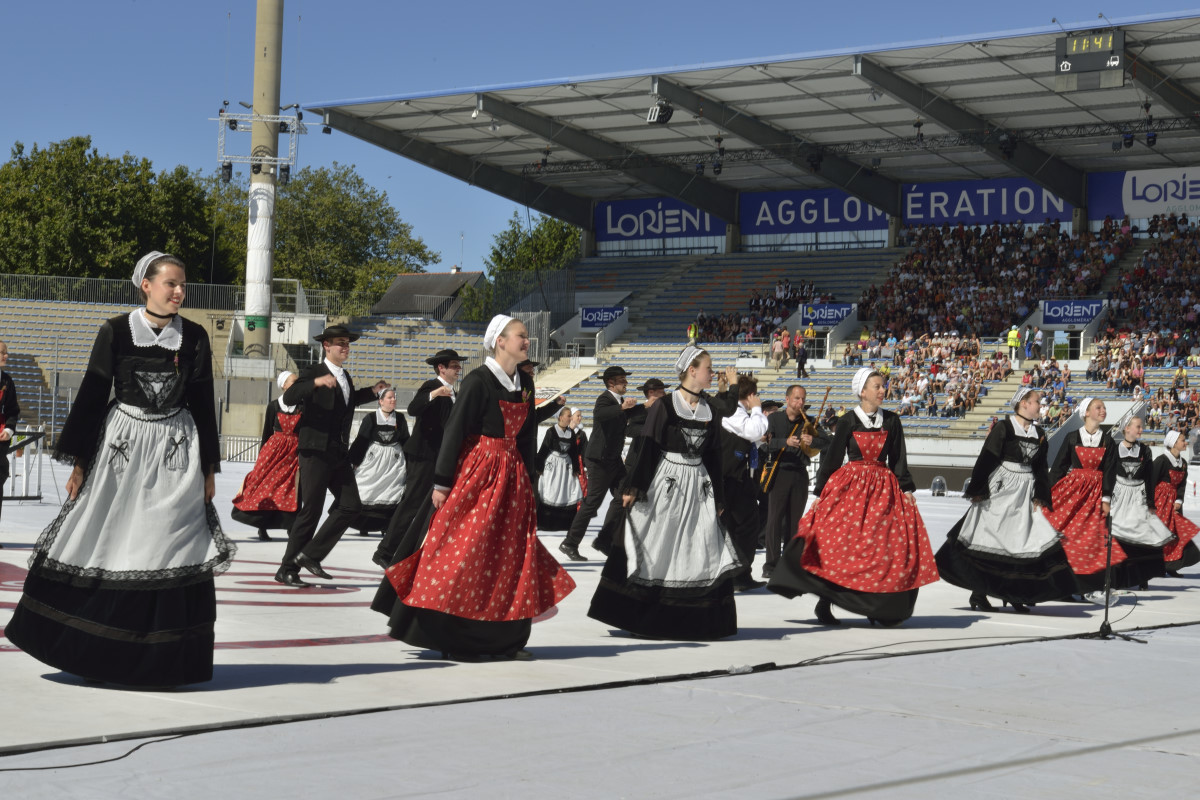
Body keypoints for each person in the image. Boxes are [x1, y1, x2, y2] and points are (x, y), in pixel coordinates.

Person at [6, 252, 234, 686]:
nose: (179, 291)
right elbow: (93, 395)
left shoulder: (195, 337)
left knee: (169, 544)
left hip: (176, 453)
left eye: (182, 284)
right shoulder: (115, 331)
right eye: (171, 283)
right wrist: (80, 464)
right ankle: (100, 651)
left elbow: (204, 403)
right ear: (146, 285)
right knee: (109, 538)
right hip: (122, 449)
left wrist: (208, 468)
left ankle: (162, 658)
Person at [381, 315, 576, 660]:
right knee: (467, 549)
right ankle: (454, 637)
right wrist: (442, 482)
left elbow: (527, 434)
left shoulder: (525, 383)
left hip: (512, 476)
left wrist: (528, 478)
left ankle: (507, 640)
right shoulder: (478, 381)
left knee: (513, 555)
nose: (526, 341)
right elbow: (455, 430)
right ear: (500, 341)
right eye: (520, 335)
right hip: (481, 473)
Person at [587, 345, 741, 640]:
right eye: (708, 368)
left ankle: (695, 620)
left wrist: (719, 497)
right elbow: (648, 448)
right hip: (668, 483)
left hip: (698, 487)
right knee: (658, 546)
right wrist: (634, 487)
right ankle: (644, 617)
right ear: (692, 371)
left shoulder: (708, 408)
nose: (712, 373)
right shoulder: (666, 406)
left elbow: (713, 456)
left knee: (697, 548)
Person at [767, 368, 939, 626]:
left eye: (883, 386)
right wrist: (821, 492)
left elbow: (898, 458)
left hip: (883, 491)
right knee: (842, 546)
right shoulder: (848, 420)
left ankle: (875, 604)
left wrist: (906, 489)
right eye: (877, 386)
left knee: (881, 548)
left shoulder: (892, 421)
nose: (883, 390)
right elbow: (834, 458)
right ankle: (826, 601)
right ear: (862, 392)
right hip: (852, 489)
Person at [934, 388, 1078, 613]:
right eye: (1036, 401)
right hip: (1001, 490)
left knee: (1019, 541)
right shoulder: (1004, 428)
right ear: (1023, 404)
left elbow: (1040, 467)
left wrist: (1040, 494)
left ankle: (1013, 592)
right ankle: (979, 593)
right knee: (991, 539)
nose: (1040, 405)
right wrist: (979, 489)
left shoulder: (1039, 433)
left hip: (1025, 491)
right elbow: (987, 457)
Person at [276, 325, 386, 586]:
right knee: (311, 511)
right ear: (326, 345)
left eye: (347, 343)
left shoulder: (344, 375)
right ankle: (287, 568)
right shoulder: (314, 372)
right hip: (315, 451)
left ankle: (311, 555)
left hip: (338, 452)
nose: (346, 347)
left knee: (351, 505)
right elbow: (290, 397)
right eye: (340, 342)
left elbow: (347, 402)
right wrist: (315, 383)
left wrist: (372, 391)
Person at [371, 349, 463, 569]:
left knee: (431, 507)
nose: (458, 369)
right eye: (454, 365)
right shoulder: (431, 386)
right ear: (441, 368)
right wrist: (435, 393)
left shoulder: (455, 393)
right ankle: (385, 551)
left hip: (440, 457)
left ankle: (418, 552)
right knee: (412, 503)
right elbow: (413, 408)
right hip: (423, 456)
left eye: (458, 365)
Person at [1042, 398, 1124, 596]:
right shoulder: (1072, 437)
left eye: (1104, 407)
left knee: (1091, 537)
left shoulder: (1108, 440)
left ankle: (1087, 585)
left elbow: (1110, 471)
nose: (1103, 410)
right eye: (1098, 407)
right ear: (1086, 413)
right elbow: (1059, 467)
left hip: (1096, 495)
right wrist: (1048, 493)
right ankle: (1062, 584)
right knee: (1067, 535)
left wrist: (1106, 499)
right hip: (1074, 494)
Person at [560, 365, 642, 561]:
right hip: (599, 460)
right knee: (592, 502)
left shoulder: (619, 402)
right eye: (622, 380)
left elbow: (630, 414)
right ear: (611, 383)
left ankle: (605, 540)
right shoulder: (604, 399)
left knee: (624, 494)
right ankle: (570, 543)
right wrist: (622, 407)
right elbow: (601, 414)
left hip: (613, 459)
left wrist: (648, 405)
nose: (626, 383)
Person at [761, 385, 827, 580]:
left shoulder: (810, 422)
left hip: (799, 473)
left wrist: (813, 441)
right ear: (787, 399)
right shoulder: (774, 419)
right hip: (780, 472)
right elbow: (764, 444)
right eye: (797, 398)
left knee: (794, 521)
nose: (800, 403)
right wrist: (785, 442)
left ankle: (789, 565)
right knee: (774, 520)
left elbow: (827, 442)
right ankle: (771, 564)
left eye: (803, 399)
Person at [715, 371, 770, 591]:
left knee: (736, 527)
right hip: (731, 478)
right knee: (746, 526)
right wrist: (756, 409)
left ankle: (737, 574)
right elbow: (753, 431)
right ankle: (738, 574)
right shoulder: (735, 411)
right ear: (749, 396)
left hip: (736, 477)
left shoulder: (731, 411)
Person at [231, 371, 302, 541]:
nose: (297, 385)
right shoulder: (274, 406)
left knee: (292, 489)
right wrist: (262, 458)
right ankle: (261, 526)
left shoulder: (303, 406)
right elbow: (267, 432)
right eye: (293, 382)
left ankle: (291, 527)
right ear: (284, 385)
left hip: (294, 454)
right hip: (274, 452)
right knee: (266, 489)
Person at [1105, 414, 1171, 589]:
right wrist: (1107, 498)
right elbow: (1109, 475)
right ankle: (1116, 577)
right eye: (1138, 426)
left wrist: (1150, 502)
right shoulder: (1114, 450)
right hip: (1119, 496)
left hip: (1137, 496)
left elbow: (1149, 478)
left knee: (1140, 535)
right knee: (1118, 535)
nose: (1141, 429)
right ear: (1127, 428)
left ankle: (1141, 577)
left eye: (1141, 427)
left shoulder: (1145, 451)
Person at [347, 385, 410, 536]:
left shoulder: (400, 418)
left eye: (394, 397)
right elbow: (361, 440)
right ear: (380, 401)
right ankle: (363, 524)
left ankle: (385, 525)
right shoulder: (371, 418)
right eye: (389, 397)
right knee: (366, 488)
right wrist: (355, 460)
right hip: (373, 461)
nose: (393, 400)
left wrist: (410, 461)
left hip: (394, 463)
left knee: (391, 491)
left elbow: (406, 440)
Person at [1152, 430, 1200, 576]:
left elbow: (1182, 485)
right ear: (1173, 443)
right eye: (1182, 440)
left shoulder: (1183, 463)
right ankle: (1155, 566)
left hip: (1173, 504)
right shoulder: (1161, 460)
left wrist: (1179, 499)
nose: (1185, 443)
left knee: (1174, 534)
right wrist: (1149, 503)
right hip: (1160, 502)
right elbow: (1151, 481)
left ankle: (1171, 565)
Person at [535, 405, 583, 531]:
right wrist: (539, 466)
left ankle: (564, 524)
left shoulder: (571, 433)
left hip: (566, 466)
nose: (570, 418)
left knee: (565, 491)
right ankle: (546, 523)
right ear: (561, 417)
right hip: (553, 465)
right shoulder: (551, 431)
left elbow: (573, 451)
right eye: (568, 416)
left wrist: (576, 468)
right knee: (551, 490)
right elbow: (544, 448)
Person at [0, 339, 20, 546]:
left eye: (6, 352)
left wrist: (8, 429)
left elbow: (13, 410)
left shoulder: (7, 381)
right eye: (2, 352)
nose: (6, 355)